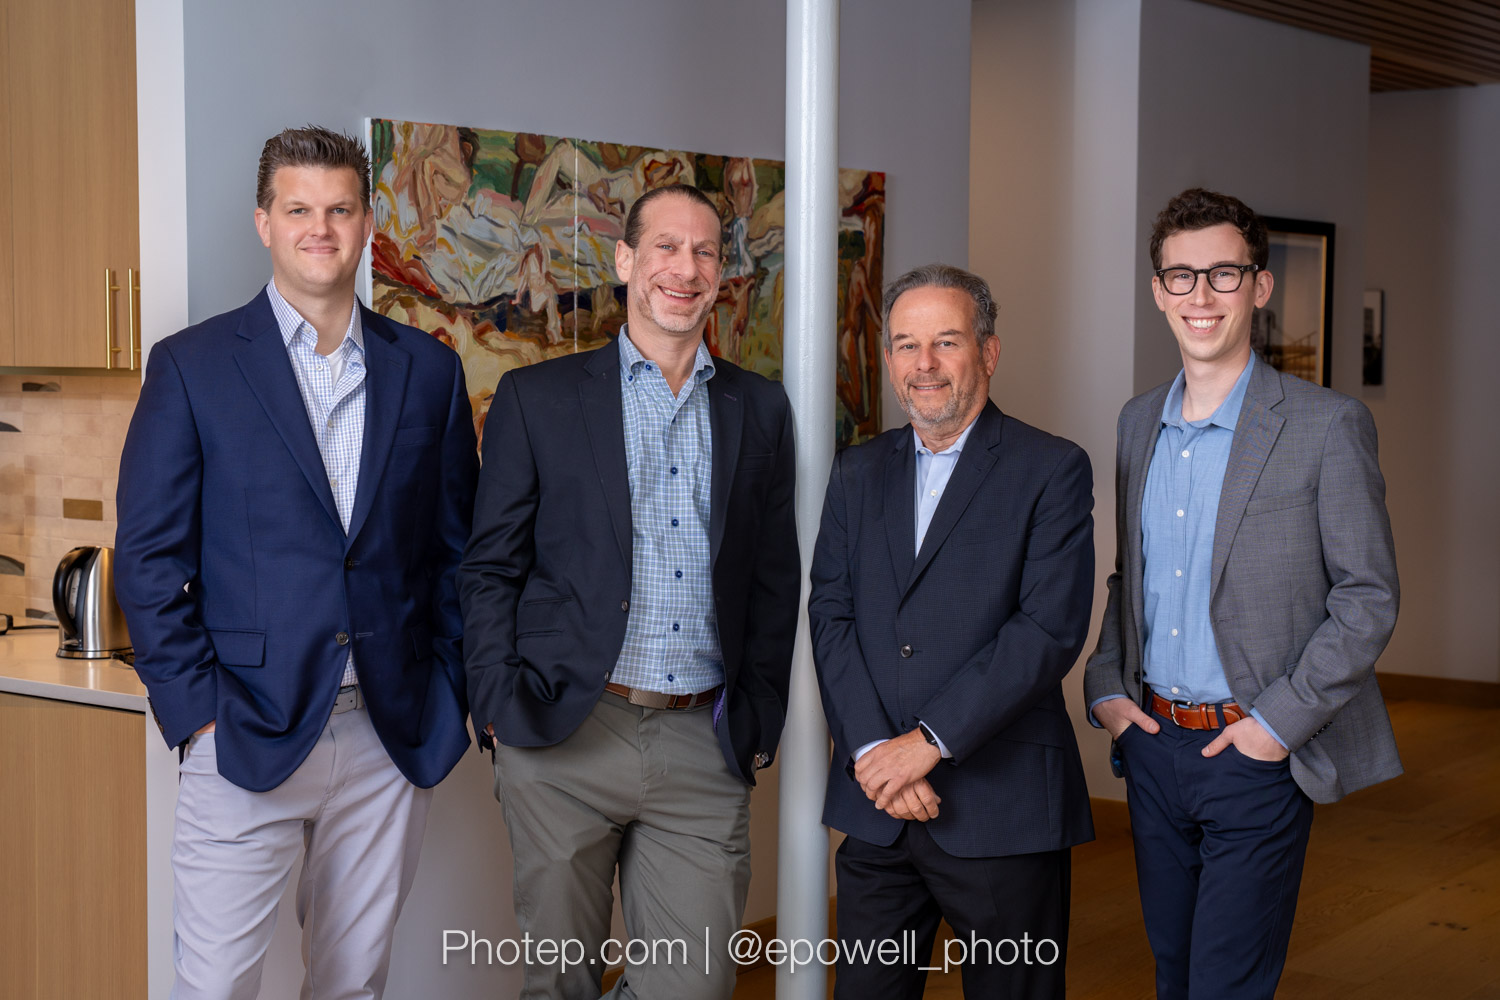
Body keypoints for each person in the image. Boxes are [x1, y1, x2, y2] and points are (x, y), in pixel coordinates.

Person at [115, 126, 477, 999]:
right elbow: (150, 558)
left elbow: (457, 553)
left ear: (367, 223)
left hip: (387, 734)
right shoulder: (192, 366)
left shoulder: (429, 371)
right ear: (264, 223)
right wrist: (197, 715)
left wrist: (449, 688)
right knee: (215, 987)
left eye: (340, 210)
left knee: (353, 985)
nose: (321, 229)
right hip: (242, 725)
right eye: (299, 209)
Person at [459, 183, 799, 1000]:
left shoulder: (758, 408)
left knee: (692, 986)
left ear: (721, 273)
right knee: (559, 984)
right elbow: (491, 567)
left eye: (705, 252)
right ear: (625, 260)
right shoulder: (539, 399)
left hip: (701, 741)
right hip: (564, 733)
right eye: (666, 248)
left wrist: (758, 716)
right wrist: (498, 704)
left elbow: (773, 577)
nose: (686, 268)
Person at [1083, 188, 1401, 1000]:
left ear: (1259, 286)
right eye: (1181, 277)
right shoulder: (1136, 423)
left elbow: (1366, 596)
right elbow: (1129, 577)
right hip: (1153, 743)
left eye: (1223, 274)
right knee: (1175, 974)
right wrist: (1106, 687)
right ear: (1158, 291)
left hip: (1254, 751)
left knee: (1226, 985)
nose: (1202, 296)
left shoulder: (1327, 425)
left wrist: (1276, 726)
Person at [808, 263, 1096, 999]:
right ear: (888, 359)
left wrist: (927, 744)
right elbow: (831, 616)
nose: (925, 364)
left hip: (1002, 810)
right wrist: (874, 754)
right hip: (879, 810)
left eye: (946, 341)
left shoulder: (1051, 468)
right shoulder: (856, 472)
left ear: (988, 352)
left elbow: (1047, 629)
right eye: (906, 344)